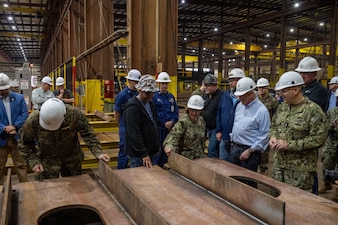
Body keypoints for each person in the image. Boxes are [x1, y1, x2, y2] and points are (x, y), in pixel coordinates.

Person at [18, 98, 110, 180]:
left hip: (72, 160)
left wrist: (98, 153)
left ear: (64, 116)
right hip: (47, 161)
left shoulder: (74, 114)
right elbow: (25, 143)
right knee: (47, 192)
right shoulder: (33, 120)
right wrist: (34, 162)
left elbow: (88, 134)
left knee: (76, 189)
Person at [269, 71, 327, 192]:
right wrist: (273, 137)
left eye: (284, 91)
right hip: (279, 166)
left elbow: (319, 139)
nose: (280, 95)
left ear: (295, 90)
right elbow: (274, 125)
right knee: (276, 200)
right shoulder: (282, 107)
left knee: (296, 205)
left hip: (300, 171)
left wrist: (289, 145)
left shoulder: (312, 111)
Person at [229, 77, 270, 181]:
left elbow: (265, 135)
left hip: (250, 152)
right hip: (235, 148)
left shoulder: (262, 111)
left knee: (248, 182)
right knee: (233, 180)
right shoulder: (240, 106)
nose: (240, 99)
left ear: (251, 94)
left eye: (242, 97)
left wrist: (250, 151)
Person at [123, 75, 161, 168]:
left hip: (150, 152)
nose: (150, 96)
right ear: (139, 90)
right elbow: (134, 134)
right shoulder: (132, 108)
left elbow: (154, 125)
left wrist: (156, 145)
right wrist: (143, 154)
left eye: (152, 93)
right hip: (138, 155)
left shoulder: (150, 104)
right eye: (147, 93)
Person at [0, 73, 28, 184]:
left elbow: (24, 114)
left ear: (9, 87)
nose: (3, 92)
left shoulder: (19, 98)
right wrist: (4, 128)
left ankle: (26, 188)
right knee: (0, 166)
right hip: (2, 138)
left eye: (5, 89)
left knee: (20, 165)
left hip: (16, 137)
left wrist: (15, 126)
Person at [113, 69, 141, 169]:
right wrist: (122, 125)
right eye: (135, 82)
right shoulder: (122, 96)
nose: (137, 84)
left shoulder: (139, 95)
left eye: (138, 82)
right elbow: (117, 113)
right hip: (125, 128)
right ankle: (121, 171)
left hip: (136, 128)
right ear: (129, 81)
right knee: (124, 151)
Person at [164, 95, 206, 160]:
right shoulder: (183, 122)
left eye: (197, 111)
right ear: (188, 109)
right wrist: (169, 146)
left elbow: (202, 141)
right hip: (185, 158)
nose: (194, 113)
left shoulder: (201, 121)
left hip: (198, 157)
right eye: (192, 110)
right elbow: (173, 135)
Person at [152, 72, 179, 167]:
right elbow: (154, 114)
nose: (164, 85)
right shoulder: (154, 97)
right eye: (162, 83)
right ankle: (156, 167)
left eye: (166, 83)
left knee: (168, 149)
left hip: (170, 129)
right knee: (158, 149)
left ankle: (166, 165)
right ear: (158, 84)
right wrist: (164, 123)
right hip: (159, 129)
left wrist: (172, 122)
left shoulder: (171, 97)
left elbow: (176, 112)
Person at [256, 78, 279, 175]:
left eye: (263, 88)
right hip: (255, 129)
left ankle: (263, 170)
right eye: (260, 88)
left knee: (264, 151)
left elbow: (276, 116)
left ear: (267, 88)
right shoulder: (254, 100)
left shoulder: (273, 101)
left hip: (267, 129)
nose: (261, 90)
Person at [201, 74, 223, 159]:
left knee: (212, 150)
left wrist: (219, 130)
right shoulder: (205, 96)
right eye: (204, 85)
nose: (205, 87)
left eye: (207, 85)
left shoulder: (222, 96)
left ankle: (214, 169)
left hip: (215, 129)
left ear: (215, 85)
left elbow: (223, 115)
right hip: (205, 127)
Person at [319, 106, 338, 200]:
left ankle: (337, 193)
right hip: (331, 145)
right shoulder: (332, 112)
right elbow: (324, 128)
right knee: (326, 164)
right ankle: (327, 184)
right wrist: (332, 125)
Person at [216, 90, 234, 162]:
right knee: (223, 163)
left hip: (238, 140)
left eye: (233, 80)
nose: (230, 83)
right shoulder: (225, 96)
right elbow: (219, 112)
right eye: (230, 80)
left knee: (235, 166)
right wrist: (218, 130)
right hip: (225, 134)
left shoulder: (243, 99)